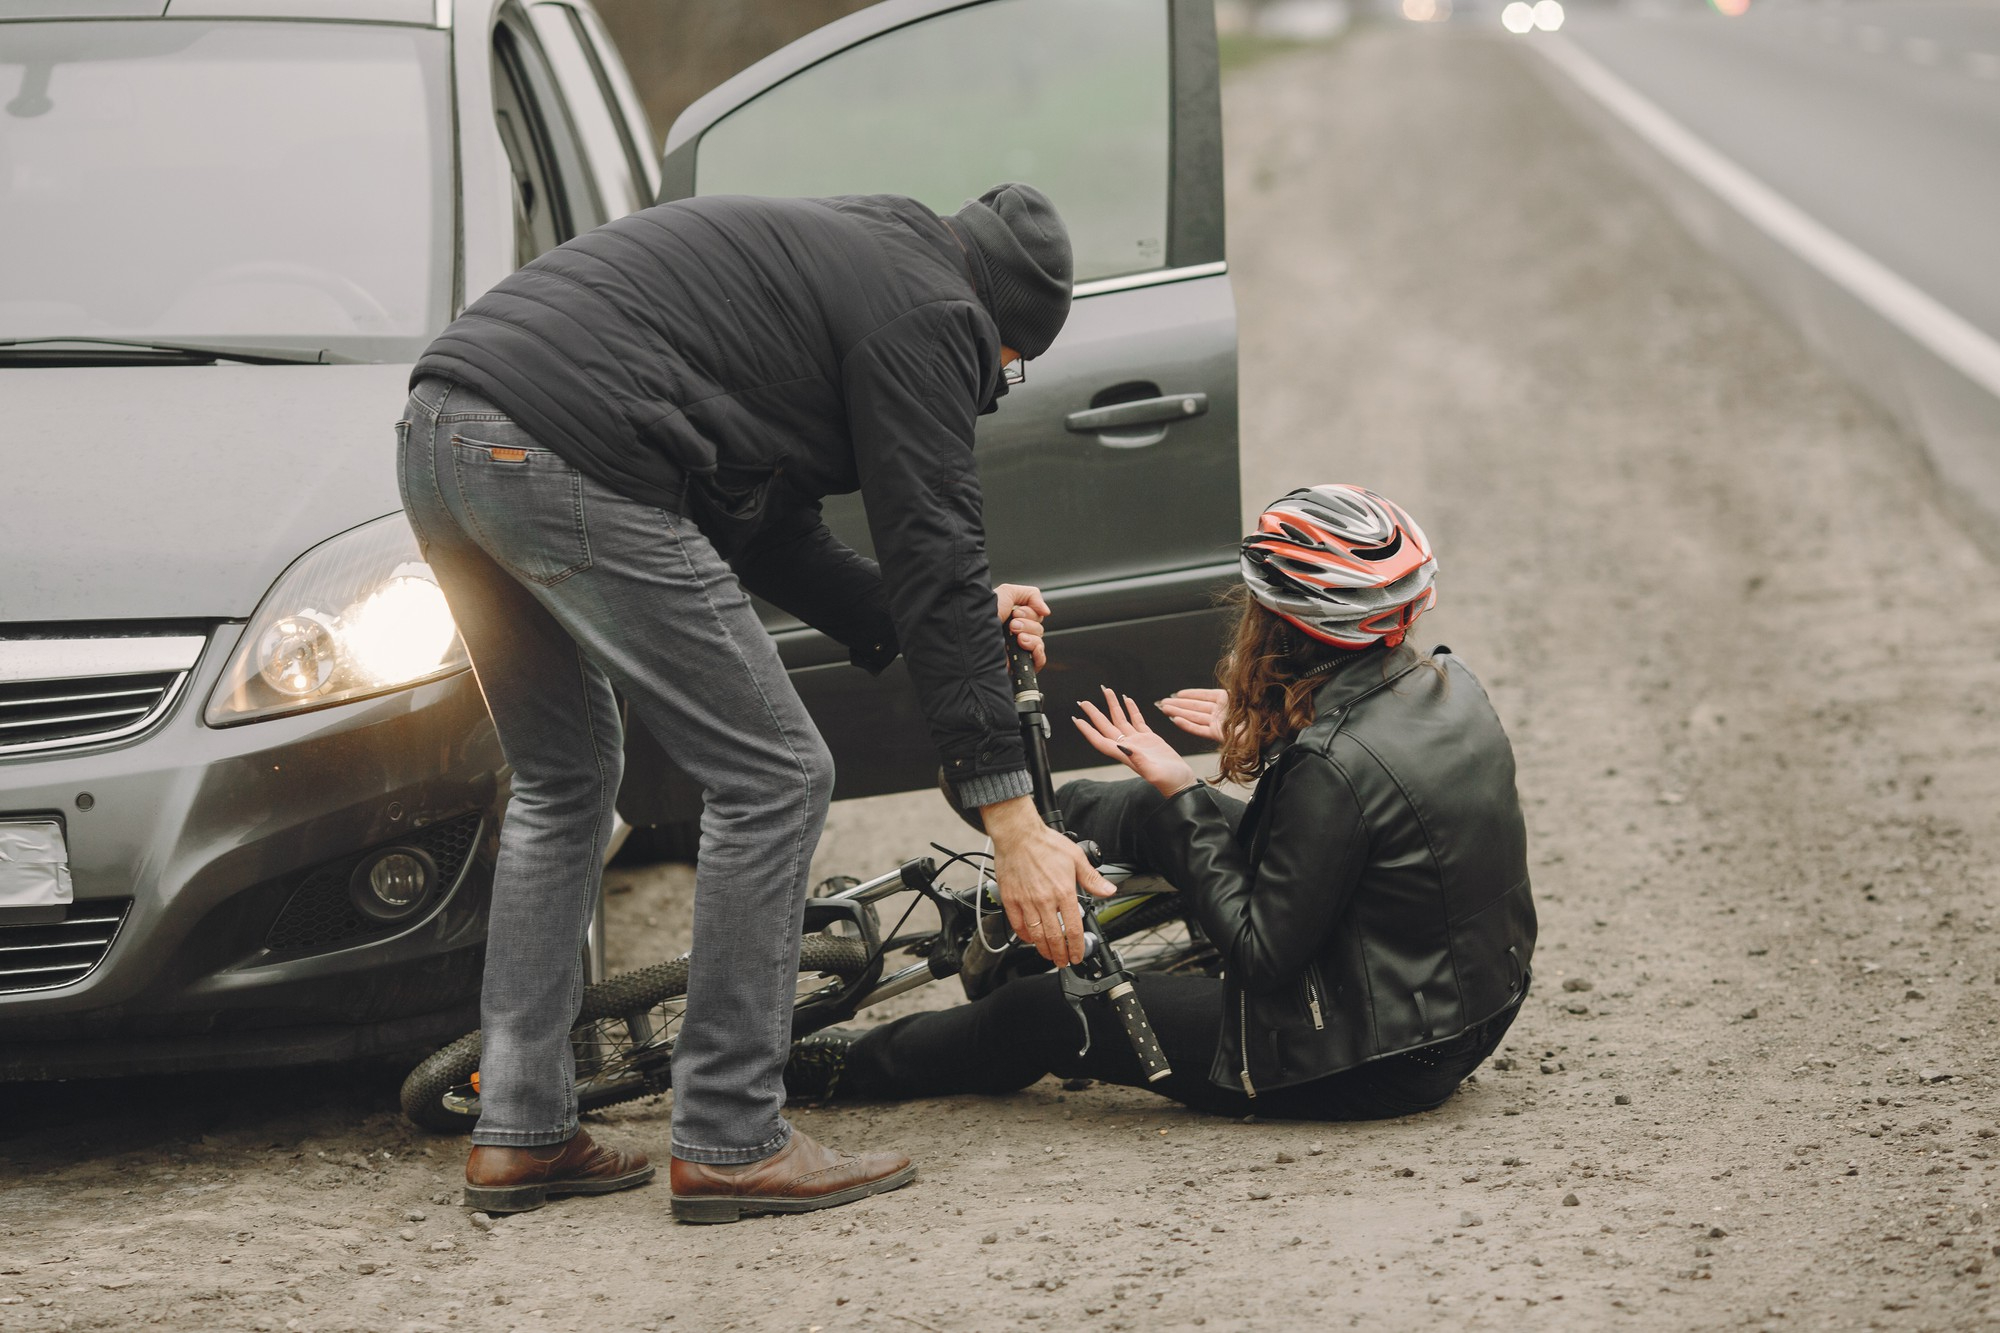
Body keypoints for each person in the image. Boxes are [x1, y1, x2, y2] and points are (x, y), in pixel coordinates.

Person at [397, 183, 1115, 1223]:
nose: (994, 383)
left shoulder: (848, 261)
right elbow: (937, 549)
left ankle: (521, 1129)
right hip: (562, 447)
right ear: (999, 326)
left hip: (440, 433)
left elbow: (771, 530)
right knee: (775, 772)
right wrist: (1011, 817)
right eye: (1008, 367)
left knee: (563, 779)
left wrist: (932, 617)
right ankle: (731, 1133)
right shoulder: (932, 314)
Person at [785, 485, 1537, 1122]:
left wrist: (1185, 788)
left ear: (1287, 624)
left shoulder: (1329, 767)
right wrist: (1267, 737)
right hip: (1462, 1005)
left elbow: (1260, 953)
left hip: (1367, 1056)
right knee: (1152, 809)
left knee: (1038, 1013)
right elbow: (1370, 815)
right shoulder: (1447, 686)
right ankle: (1029, 826)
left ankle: (828, 1069)